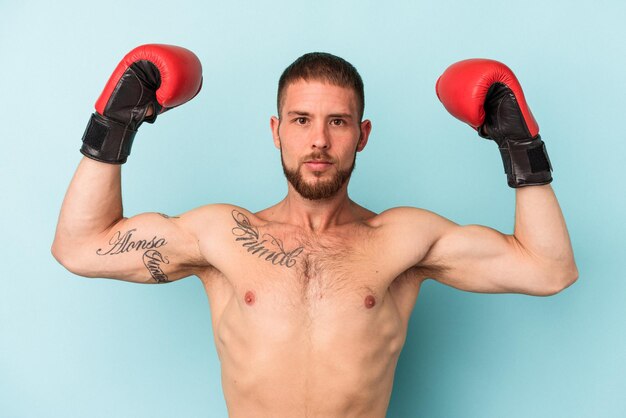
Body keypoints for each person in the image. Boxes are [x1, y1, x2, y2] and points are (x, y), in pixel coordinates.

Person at [51, 44, 578, 418]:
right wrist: (115, 124)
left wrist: (519, 146)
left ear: (362, 135)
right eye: (301, 120)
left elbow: (548, 269)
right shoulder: (222, 236)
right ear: (276, 132)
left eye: (338, 122)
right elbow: (79, 247)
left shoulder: (402, 240)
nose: (319, 140)